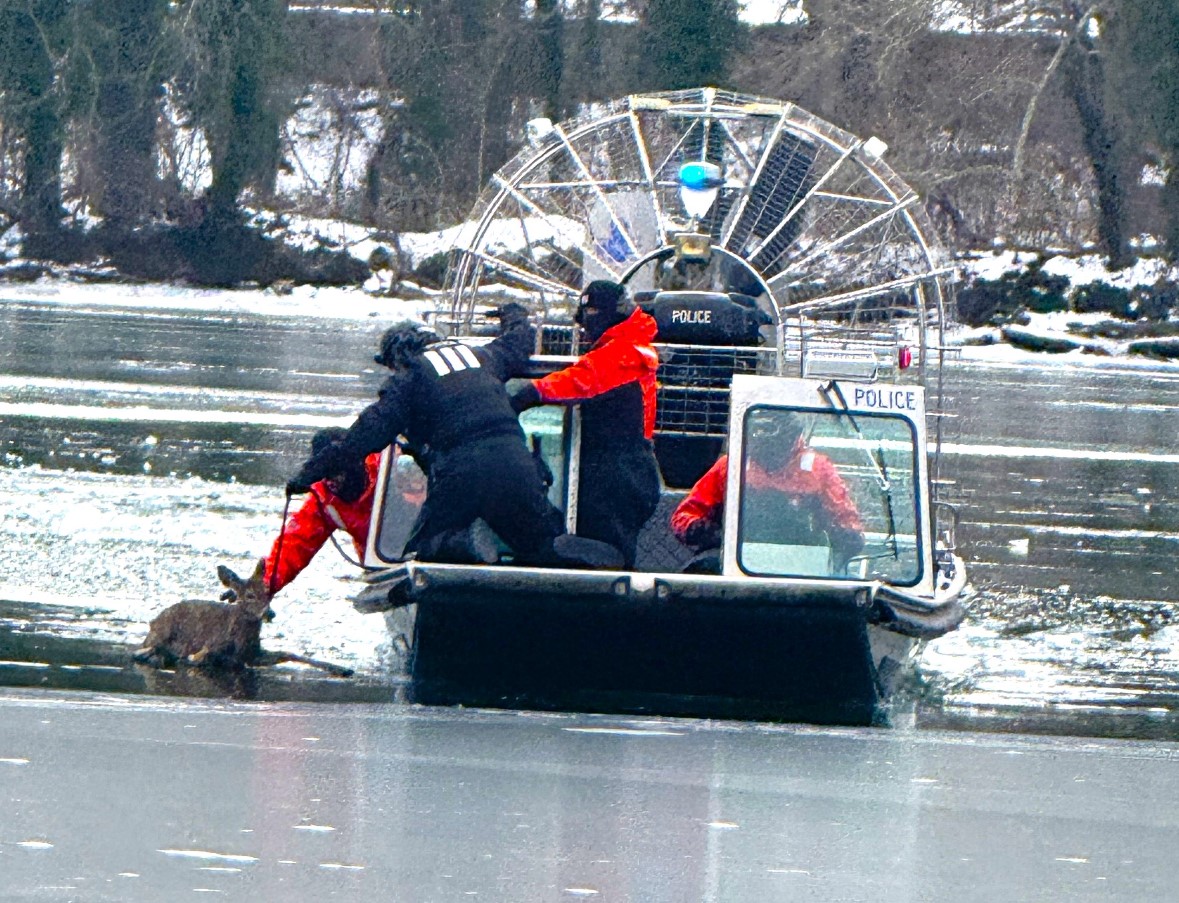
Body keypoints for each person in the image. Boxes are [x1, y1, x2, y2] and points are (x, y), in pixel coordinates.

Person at [285, 305, 620, 569]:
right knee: (536, 548)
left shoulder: (411, 376)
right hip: (517, 466)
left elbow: (365, 436)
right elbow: (520, 340)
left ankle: (463, 545)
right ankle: (561, 551)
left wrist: (308, 474)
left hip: (462, 473)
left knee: (424, 552)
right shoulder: (481, 356)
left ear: (399, 356)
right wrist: (513, 314)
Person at [509, 280, 662, 568]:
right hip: (617, 467)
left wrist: (530, 393)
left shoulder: (625, 352)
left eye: (590, 313)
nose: (584, 325)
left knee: (607, 557)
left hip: (622, 471)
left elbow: (583, 380)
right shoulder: (624, 346)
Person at [671, 412, 864, 572]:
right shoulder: (732, 466)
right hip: (735, 559)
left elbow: (846, 520)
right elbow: (684, 515)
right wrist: (707, 532)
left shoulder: (818, 469)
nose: (768, 452)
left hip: (802, 561)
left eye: (775, 444)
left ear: (793, 438)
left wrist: (846, 535)